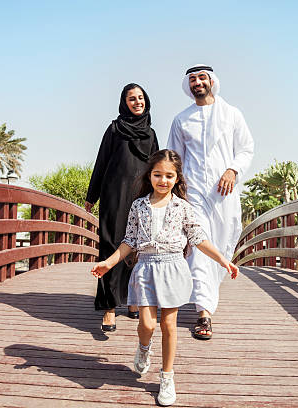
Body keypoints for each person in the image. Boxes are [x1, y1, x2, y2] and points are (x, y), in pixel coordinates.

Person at [91, 149, 238, 406]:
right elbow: (129, 241)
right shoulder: (138, 206)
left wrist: (223, 261)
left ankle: (167, 377)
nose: (163, 180)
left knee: (169, 325)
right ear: (150, 176)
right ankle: (144, 348)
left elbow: (199, 239)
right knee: (147, 325)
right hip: (145, 269)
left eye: (169, 176)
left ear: (177, 179)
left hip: (174, 269)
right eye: (157, 175)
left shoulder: (183, 207)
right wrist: (109, 262)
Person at [167, 64, 254, 340]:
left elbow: (246, 148)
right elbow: (174, 158)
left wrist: (233, 170)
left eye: (202, 78)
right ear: (187, 85)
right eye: (192, 79)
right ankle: (204, 312)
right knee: (199, 245)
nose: (197, 83)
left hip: (224, 193)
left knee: (223, 242)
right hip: (193, 193)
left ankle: (208, 292)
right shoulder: (182, 119)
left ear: (212, 81)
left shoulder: (232, 114)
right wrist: (173, 193)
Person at [85, 83, 159, 332]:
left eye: (140, 98)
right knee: (111, 246)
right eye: (131, 99)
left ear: (146, 101)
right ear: (124, 102)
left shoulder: (150, 134)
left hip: (141, 199)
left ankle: (132, 301)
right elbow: (101, 161)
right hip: (114, 197)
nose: (137, 102)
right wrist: (91, 195)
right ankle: (108, 308)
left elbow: (157, 170)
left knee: (138, 250)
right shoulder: (115, 129)